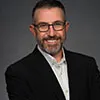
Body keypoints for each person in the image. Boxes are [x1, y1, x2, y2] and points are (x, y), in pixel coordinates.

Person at [5, 0, 100, 100]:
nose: (51, 33)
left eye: (57, 24)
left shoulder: (88, 66)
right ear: (33, 30)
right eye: (43, 26)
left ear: (66, 28)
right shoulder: (18, 73)